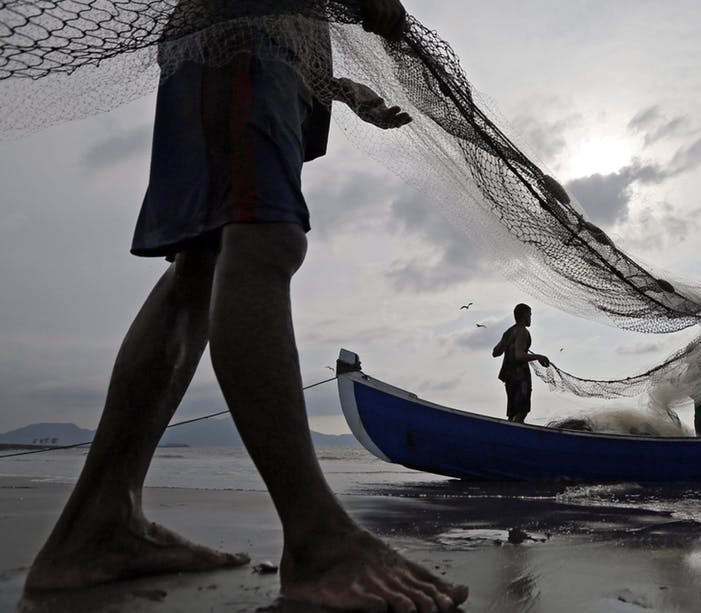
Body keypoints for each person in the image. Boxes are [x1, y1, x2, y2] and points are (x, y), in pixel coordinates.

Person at [24, 2, 469, 611]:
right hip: (244, 34)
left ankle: (98, 525)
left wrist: (338, 88)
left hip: (245, 44)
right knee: (263, 234)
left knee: (202, 265)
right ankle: (319, 541)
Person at [492, 303, 549, 423]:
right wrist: (540, 357)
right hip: (520, 376)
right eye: (530, 315)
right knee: (522, 410)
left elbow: (495, 352)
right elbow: (518, 356)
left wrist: (507, 344)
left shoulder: (509, 332)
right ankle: (513, 437)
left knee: (513, 412)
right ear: (524, 316)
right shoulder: (522, 332)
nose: (530, 318)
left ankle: (508, 435)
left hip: (509, 376)